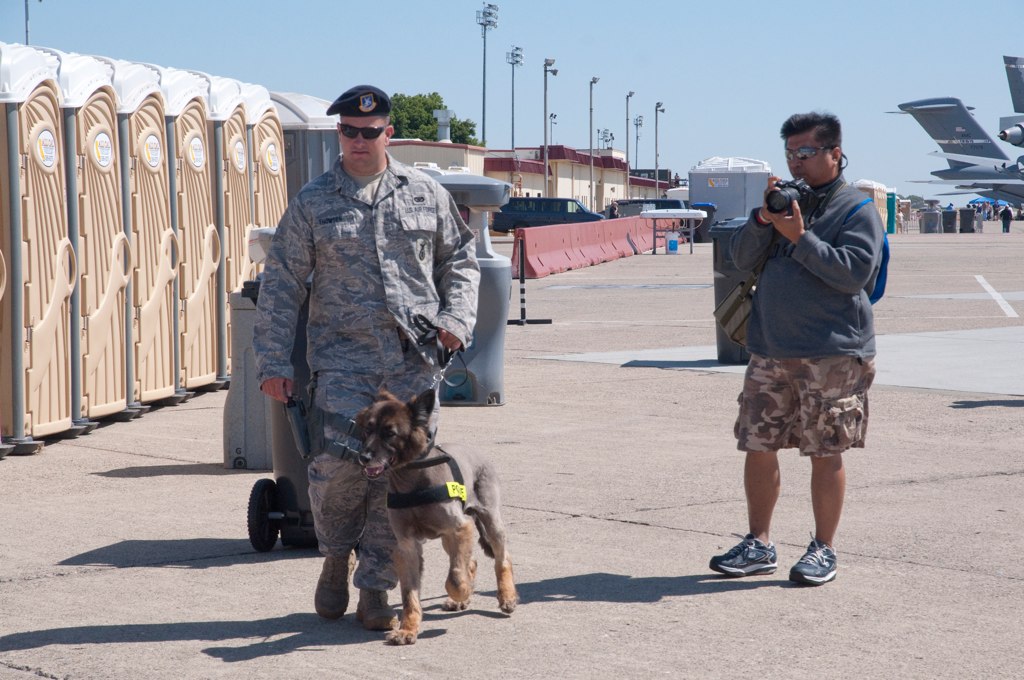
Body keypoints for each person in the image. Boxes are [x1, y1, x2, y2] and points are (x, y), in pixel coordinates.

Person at [253, 85, 481, 628]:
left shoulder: (425, 192)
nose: (359, 140)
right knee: (335, 473)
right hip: (342, 364)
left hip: (412, 366)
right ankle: (335, 558)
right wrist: (273, 363)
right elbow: (282, 283)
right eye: (350, 132)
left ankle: (376, 588)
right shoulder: (314, 201)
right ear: (340, 134)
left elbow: (462, 261)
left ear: (388, 134)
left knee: (397, 482)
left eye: (370, 131)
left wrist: (456, 320)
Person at [709, 112, 884, 586]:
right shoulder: (784, 204)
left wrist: (800, 239)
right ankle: (758, 543)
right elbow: (740, 258)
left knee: (825, 450)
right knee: (758, 445)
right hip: (770, 349)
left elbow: (853, 275)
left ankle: (823, 549)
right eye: (790, 154)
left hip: (831, 353)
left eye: (805, 153)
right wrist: (764, 221)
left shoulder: (854, 210)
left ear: (835, 153)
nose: (796, 163)